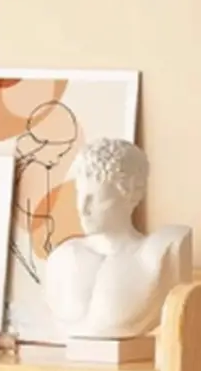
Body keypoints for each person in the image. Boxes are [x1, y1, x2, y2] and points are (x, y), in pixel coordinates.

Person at [43, 138, 192, 340]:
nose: (83, 209)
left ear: (131, 193)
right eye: (80, 195)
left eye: (95, 198)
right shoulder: (62, 258)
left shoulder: (158, 253)